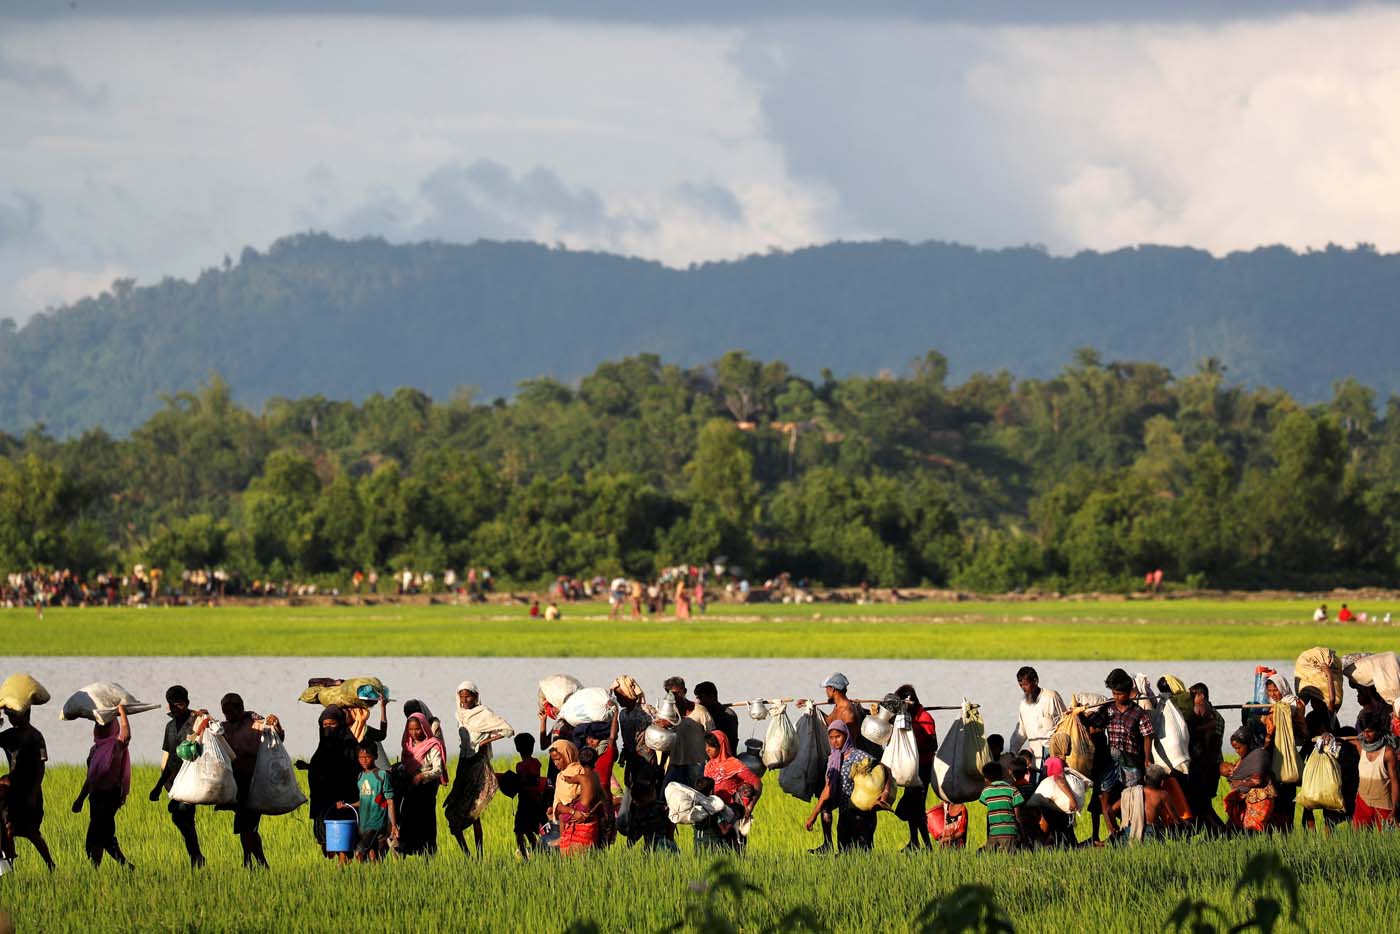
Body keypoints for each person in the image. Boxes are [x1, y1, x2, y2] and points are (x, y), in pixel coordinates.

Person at [1082, 669, 1154, 840]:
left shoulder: (1138, 713)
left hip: (1131, 759)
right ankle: (1113, 833)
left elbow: (1147, 736)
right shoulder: (1108, 709)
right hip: (1112, 758)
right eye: (1114, 693)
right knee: (1104, 794)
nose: (1116, 697)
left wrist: (1147, 758)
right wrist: (1080, 715)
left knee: (1131, 797)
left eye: (1120, 694)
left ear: (1128, 693)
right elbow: (1094, 723)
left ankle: (1131, 832)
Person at [445, 681, 513, 857]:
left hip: (477, 765)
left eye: (468, 696)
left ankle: (480, 855)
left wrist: (484, 742)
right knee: (452, 812)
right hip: (463, 763)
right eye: (462, 697)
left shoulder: (484, 714)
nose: (465, 700)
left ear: (476, 696)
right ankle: (467, 854)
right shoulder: (460, 714)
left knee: (475, 813)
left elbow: (508, 730)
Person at [803, 719, 889, 852]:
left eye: (838, 737)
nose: (834, 741)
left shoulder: (858, 756)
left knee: (864, 853)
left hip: (863, 814)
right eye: (831, 738)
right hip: (845, 813)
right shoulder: (833, 759)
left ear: (846, 736)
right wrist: (813, 816)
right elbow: (827, 789)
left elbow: (884, 769)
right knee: (844, 853)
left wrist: (885, 793)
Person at [219, 693, 283, 868]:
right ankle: (258, 862)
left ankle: (249, 861)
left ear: (240, 709)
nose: (228, 717)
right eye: (225, 713)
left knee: (248, 826)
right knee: (246, 827)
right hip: (236, 784)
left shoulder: (255, 724)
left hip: (255, 783)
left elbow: (277, 738)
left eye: (231, 713)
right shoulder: (225, 727)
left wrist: (276, 724)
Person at [294, 704, 365, 857]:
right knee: (327, 840)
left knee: (345, 836)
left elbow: (358, 767)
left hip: (345, 797)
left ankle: (344, 863)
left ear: (340, 723)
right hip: (323, 801)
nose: (328, 728)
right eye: (325, 725)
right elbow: (322, 768)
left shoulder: (351, 745)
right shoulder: (322, 749)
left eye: (332, 723)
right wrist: (308, 766)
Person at [149, 685, 203, 867]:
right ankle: (196, 856)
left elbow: (214, 731)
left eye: (179, 704)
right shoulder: (170, 727)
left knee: (183, 814)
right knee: (178, 816)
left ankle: (196, 857)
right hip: (174, 782)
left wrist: (205, 717)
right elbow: (171, 759)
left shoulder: (196, 722)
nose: (175, 708)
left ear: (187, 703)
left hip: (192, 780)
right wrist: (158, 786)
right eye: (172, 705)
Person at [73, 703, 132, 867]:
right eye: (100, 725)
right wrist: (80, 799)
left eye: (107, 725)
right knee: (101, 834)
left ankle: (121, 865)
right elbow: (90, 779)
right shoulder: (95, 750)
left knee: (99, 834)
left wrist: (122, 713)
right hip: (95, 797)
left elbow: (126, 736)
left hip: (110, 796)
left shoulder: (116, 746)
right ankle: (114, 866)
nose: (103, 729)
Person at [0, 706, 54, 870]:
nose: (10, 718)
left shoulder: (35, 737)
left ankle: (50, 864)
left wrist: (33, 793)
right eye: (8, 715)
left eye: (12, 714)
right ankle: (10, 868)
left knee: (31, 832)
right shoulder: (9, 735)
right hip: (13, 792)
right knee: (7, 829)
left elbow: (41, 767)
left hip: (30, 792)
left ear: (25, 715)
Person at [893, 684, 937, 851]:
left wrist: (913, 748)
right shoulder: (904, 717)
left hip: (922, 768)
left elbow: (933, 744)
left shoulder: (925, 717)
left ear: (909, 701)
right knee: (912, 806)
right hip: (909, 769)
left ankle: (926, 845)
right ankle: (914, 841)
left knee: (918, 807)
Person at [397, 710, 448, 856]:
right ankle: (406, 854)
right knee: (407, 821)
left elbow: (438, 770)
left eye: (417, 728)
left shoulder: (432, 745)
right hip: (410, 790)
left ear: (425, 727)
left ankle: (427, 855)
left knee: (425, 823)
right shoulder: (407, 746)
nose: (414, 732)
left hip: (426, 790)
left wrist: (421, 776)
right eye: (411, 729)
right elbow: (405, 765)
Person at [700, 730, 761, 850]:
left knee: (734, 849)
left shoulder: (735, 764)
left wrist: (749, 807)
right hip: (714, 814)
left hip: (732, 814)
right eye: (706, 746)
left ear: (721, 745)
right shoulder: (708, 766)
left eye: (711, 746)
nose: (707, 749)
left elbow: (757, 783)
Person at [337, 741, 396, 863]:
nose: (364, 761)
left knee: (360, 851)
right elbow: (363, 800)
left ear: (375, 756)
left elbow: (390, 801)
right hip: (364, 824)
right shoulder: (361, 777)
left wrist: (394, 825)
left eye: (367, 757)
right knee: (373, 856)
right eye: (361, 758)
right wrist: (347, 806)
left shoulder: (382, 775)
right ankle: (372, 878)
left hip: (377, 824)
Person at [1264, 674, 1306, 831]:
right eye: (1270, 691)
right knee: (1274, 801)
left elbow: (1302, 731)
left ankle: (1287, 833)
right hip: (1274, 754)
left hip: (1288, 754)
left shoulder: (1293, 704)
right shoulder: (1272, 705)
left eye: (1276, 690)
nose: (1274, 694)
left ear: (1283, 688)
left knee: (1287, 798)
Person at [1010, 666, 1066, 781]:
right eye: (1020, 685)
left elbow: (1065, 720)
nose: (1023, 688)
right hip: (1036, 755)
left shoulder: (1051, 697)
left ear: (1035, 681)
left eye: (1025, 684)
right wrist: (1012, 751)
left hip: (1053, 752)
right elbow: (1021, 730)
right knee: (1036, 789)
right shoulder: (1024, 704)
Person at [550, 740, 602, 855]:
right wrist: (573, 812)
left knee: (583, 861)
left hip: (586, 825)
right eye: (553, 760)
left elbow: (599, 796)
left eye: (558, 759)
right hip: (574, 820)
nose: (555, 763)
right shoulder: (560, 776)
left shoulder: (581, 772)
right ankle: (562, 837)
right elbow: (558, 805)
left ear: (568, 754)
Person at [1348, 712, 1399, 827]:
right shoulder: (1360, 746)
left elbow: (1395, 781)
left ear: (1379, 731)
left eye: (1370, 731)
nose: (1366, 735)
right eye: (1364, 731)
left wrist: (1394, 809)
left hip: (1384, 805)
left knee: (1385, 843)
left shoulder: (1388, 753)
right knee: (1358, 840)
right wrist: (1328, 736)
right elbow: (1341, 739)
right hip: (1362, 802)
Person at [1222, 726, 1274, 833]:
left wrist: (1239, 782)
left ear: (1247, 743)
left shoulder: (1259, 755)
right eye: (1234, 748)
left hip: (1260, 799)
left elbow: (1257, 780)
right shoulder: (1244, 759)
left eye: (1238, 747)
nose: (1237, 751)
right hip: (1247, 800)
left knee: (1254, 830)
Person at [506, 733, 548, 858]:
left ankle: (527, 856)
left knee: (520, 832)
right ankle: (534, 853)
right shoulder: (535, 763)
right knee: (529, 830)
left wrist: (519, 781)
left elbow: (532, 780)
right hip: (533, 801)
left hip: (526, 802)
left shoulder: (522, 765)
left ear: (518, 748)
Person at [978, 761, 1024, 853]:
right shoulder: (1013, 790)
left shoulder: (985, 792)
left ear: (986, 778)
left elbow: (988, 814)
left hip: (993, 834)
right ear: (1002, 774)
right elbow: (1017, 817)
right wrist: (1022, 835)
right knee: (1009, 860)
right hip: (1010, 833)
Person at [619, 780, 676, 852]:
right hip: (666, 842)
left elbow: (635, 834)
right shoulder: (661, 807)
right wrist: (670, 837)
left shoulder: (639, 813)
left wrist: (628, 846)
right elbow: (671, 822)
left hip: (652, 845)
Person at [694, 682, 739, 753]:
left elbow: (728, 743)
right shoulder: (704, 713)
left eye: (701, 697)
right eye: (697, 698)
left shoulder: (728, 715)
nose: (698, 702)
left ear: (711, 696)